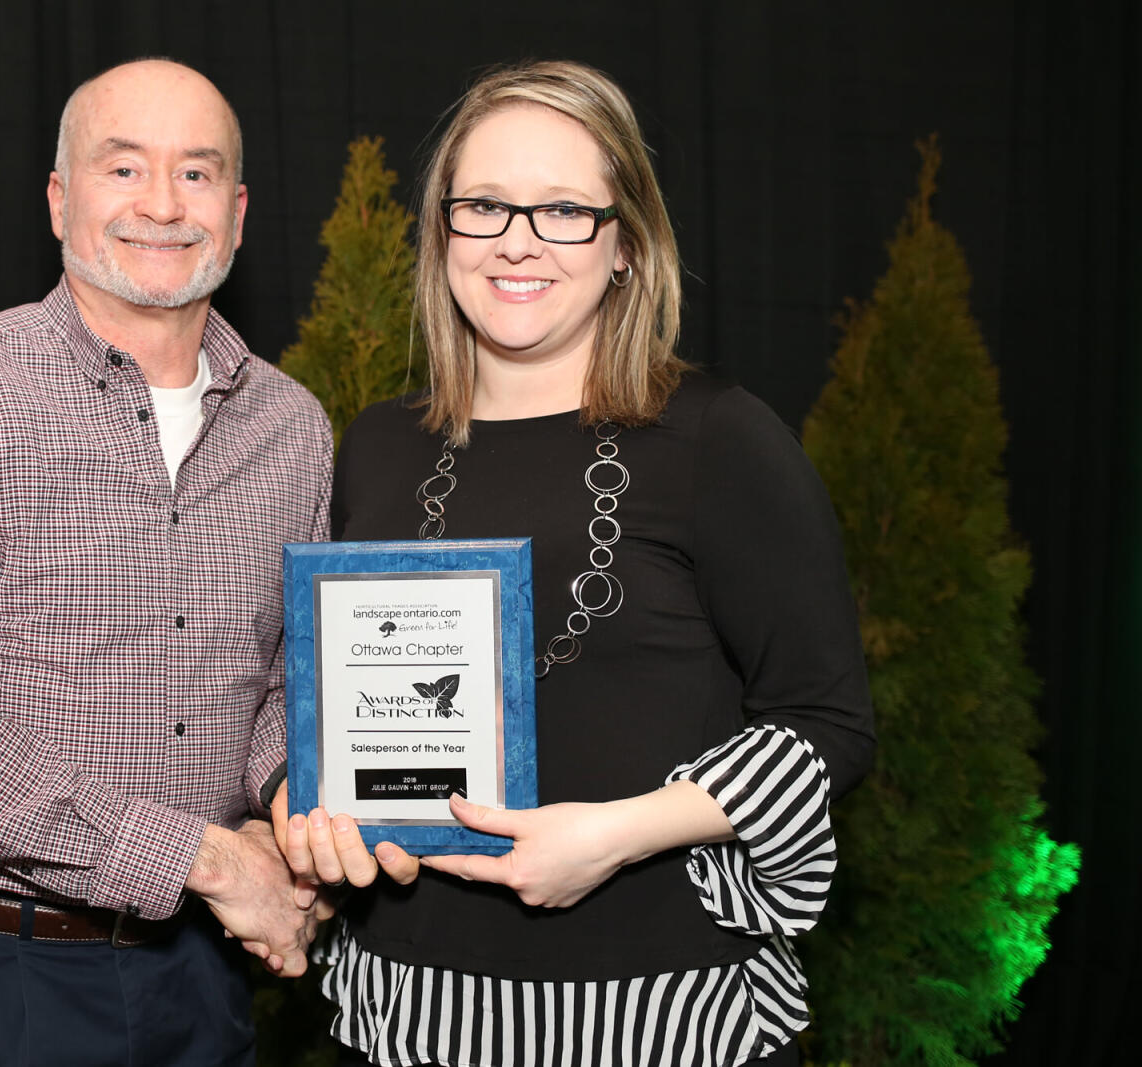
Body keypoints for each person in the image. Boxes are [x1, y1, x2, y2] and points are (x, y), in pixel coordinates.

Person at [275, 60, 876, 1066]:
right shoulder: (376, 444)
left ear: (625, 243)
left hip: (658, 1011)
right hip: (410, 1003)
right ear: (443, 231)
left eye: (562, 209)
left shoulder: (719, 438)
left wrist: (617, 833)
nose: (517, 239)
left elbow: (830, 726)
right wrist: (309, 807)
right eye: (484, 205)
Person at [0, 58, 333, 1065]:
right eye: (124, 168)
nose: (164, 204)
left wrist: (295, 805)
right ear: (60, 199)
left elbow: (289, 679)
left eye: (196, 173)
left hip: (205, 972)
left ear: (238, 213)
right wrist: (207, 860)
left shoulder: (292, 428)